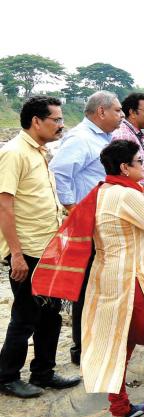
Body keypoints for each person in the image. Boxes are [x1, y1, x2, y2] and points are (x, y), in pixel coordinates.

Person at [33, 140, 144, 417]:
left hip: (105, 279)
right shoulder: (128, 195)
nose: (143, 166)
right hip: (133, 281)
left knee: (117, 342)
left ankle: (120, 408)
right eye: (139, 161)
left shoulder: (99, 192)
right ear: (124, 168)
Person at [0, 96, 81, 398]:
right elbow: (4, 207)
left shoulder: (41, 152)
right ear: (37, 121)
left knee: (51, 314)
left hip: (50, 248)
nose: (61, 124)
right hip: (29, 251)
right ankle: (7, 377)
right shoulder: (14, 153)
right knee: (24, 317)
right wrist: (16, 255)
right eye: (56, 119)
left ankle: (44, 372)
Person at [50, 90, 124, 366]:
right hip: (87, 225)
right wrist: (73, 210)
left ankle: (97, 341)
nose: (121, 115)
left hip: (104, 223)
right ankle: (82, 349)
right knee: (85, 289)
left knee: (101, 285)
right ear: (101, 112)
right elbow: (59, 173)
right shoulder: (81, 138)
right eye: (117, 110)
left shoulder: (104, 138)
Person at [112, 92, 144, 197]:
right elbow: (123, 173)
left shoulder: (134, 134)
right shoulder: (124, 135)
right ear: (132, 112)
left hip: (140, 196)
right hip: (134, 198)